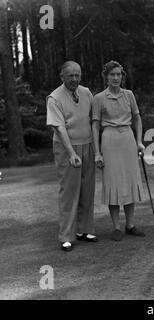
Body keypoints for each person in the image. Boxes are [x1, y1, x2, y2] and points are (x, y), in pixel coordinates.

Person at [46, 61, 98, 252]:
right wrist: (71, 153)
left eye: (77, 75)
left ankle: (84, 230)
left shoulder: (86, 93)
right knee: (69, 192)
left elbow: (94, 120)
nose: (74, 79)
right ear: (62, 76)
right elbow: (59, 128)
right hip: (66, 147)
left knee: (87, 189)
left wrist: (98, 149)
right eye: (70, 76)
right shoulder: (54, 98)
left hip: (88, 145)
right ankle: (66, 235)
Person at [92, 60, 145, 241]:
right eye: (112, 74)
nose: (116, 78)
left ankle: (130, 224)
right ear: (106, 76)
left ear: (122, 76)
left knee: (130, 180)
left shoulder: (129, 95)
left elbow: (137, 119)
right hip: (109, 139)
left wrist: (139, 141)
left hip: (128, 139)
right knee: (113, 182)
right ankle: (116, 227)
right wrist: (97, 152)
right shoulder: (98, 98)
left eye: (118, 74)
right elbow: (95, 126)